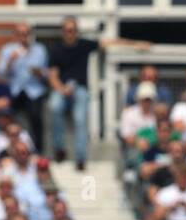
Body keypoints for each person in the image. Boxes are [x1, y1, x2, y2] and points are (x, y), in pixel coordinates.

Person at [47, 15, 150, 171]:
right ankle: (59, 148)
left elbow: (110, 42)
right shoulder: (55, 50)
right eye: (68, 31)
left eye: (73, 30)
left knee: (80, 119)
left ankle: (81, 158)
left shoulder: (83, 45)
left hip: (80, 88)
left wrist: (135, 44)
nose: (71, 33)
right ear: (63, 32)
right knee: (54, 106)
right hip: (61, 88)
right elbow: (52, 75)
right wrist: (61, 89)